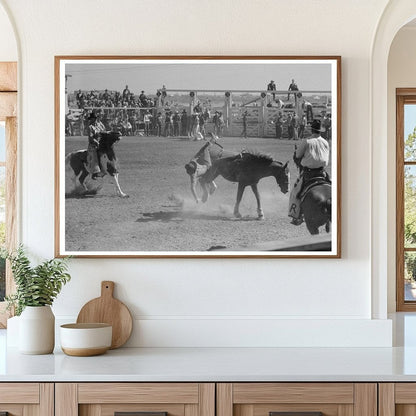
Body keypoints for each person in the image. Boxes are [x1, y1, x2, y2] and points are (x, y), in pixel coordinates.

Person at [288, 119, 330, 225]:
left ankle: (297, 216)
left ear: (311, 129)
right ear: (321, 130)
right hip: (322, 172)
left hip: (309, 173)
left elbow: (297, 155)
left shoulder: (306, 141)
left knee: (295, 192)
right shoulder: (325, 142)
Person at [184, 133, 219, 203]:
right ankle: (204, 200)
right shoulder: (193, 175)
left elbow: (202, 149)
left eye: (192, 172)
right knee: (210, 189)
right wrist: (196, 198)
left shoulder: (193, 160)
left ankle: (214, 138)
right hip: (204, 178)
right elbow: (192, 188)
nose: (192, 174)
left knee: (214, 188)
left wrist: (212, 140)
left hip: (207, 167)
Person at [87, 112, 105, 179]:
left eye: (95, 118)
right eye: (93, 118)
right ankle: (95, 172)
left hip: (101, 143)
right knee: (94, 156)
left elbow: (104, 131)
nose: (94, 119)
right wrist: (97, 143)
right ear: (91, 119)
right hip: (93, 145)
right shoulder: (90, 127)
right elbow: (91, 138)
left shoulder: (99, 125)